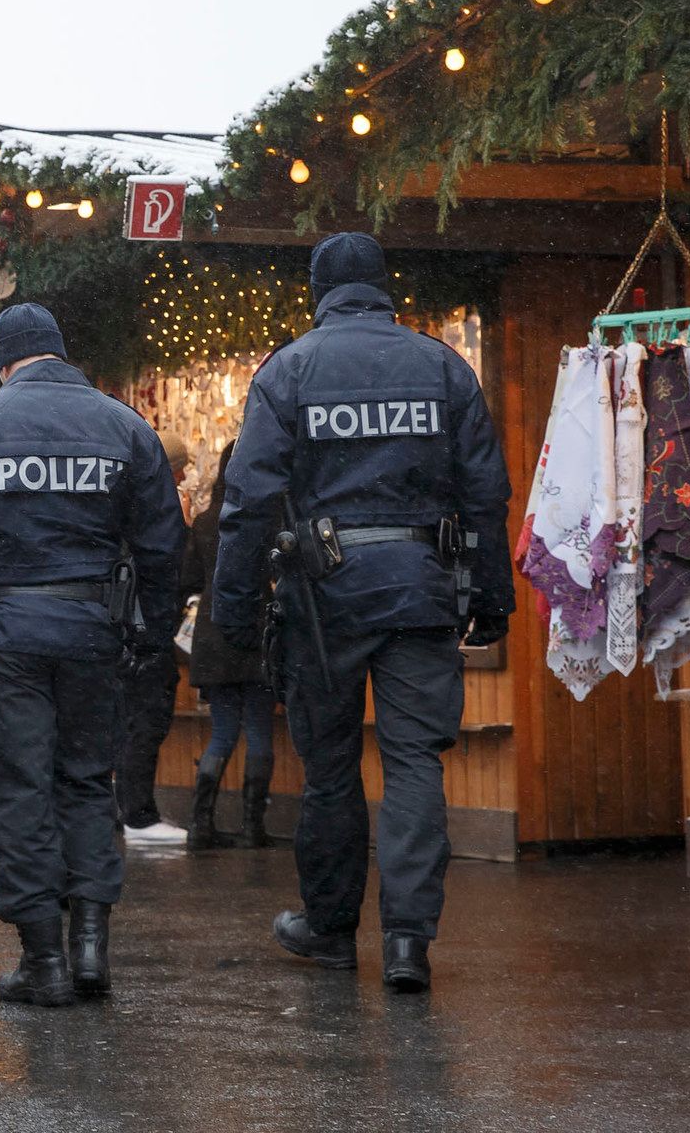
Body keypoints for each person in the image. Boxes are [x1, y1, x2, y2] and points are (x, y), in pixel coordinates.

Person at [211, 232, 512, 994]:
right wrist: (491, 595)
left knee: (330, 769)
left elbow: (247, 501)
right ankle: (408, 941)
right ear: (385, 287)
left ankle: (332, 929)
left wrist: (234, 608)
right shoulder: (442, 366)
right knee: (414, 763)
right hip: (421, 589)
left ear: (319, 294)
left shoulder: (290, 369)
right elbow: (484, 492)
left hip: (323, 599)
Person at [0, 303, 183, 1008]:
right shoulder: (125, 426)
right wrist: (148, 639)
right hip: (93, 632)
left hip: (6, 637)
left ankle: (43, 959)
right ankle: (90, 946)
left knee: (18, 789)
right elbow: (163, 547)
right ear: (60, 352)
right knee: (87, 783)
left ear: (3, 363)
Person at [180, 441, 277, 850]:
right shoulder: (266, 520)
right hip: (256, 630)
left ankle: (200, 824)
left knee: (222, 732)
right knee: (258, 730)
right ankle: (253, 826)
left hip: (214, 632)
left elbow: (188, 578)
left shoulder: (205, 522)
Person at [116, 427, 191, 845]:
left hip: (124, 629)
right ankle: (138, 815)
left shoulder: (124, 500)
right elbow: (168, 565)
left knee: (127, 723)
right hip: (146, 629)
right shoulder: (155, 508)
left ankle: (123, 808)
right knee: (145, 723)